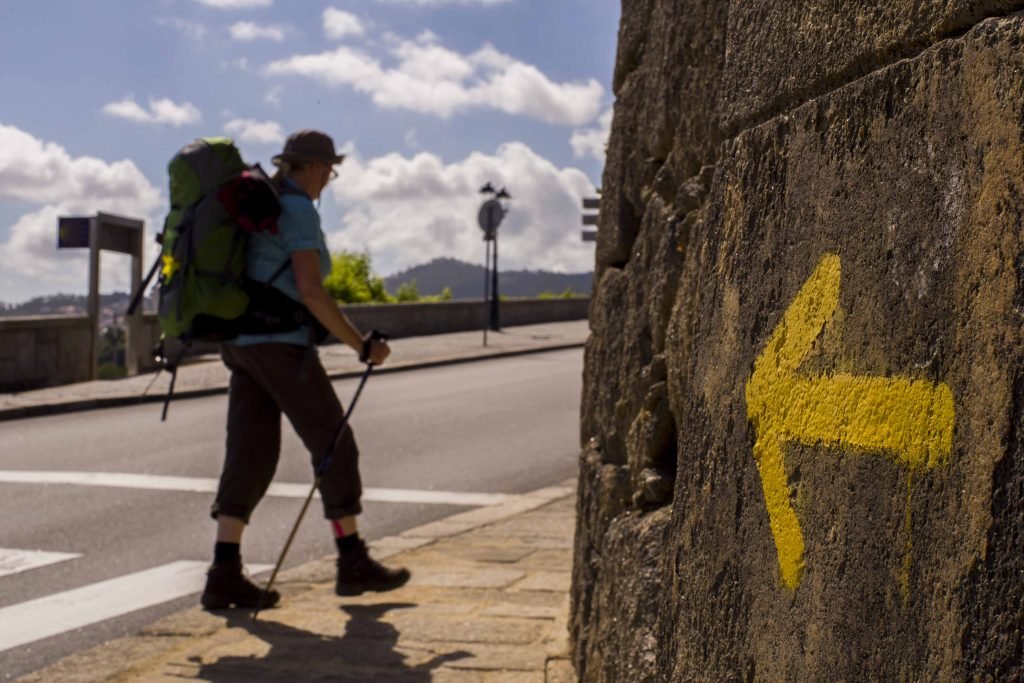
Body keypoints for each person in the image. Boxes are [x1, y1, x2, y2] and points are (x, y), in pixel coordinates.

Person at [200, 129, 410, 610]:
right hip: (280, 345)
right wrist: (361, 345)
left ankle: (223, 571)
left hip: (241, 345)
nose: (329, 181)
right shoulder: (294, 210)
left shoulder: (264, 204)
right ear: (312, 168)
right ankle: (352, 559)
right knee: (334, 443)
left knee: (250, 454)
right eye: (329, 172)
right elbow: (311, 291)